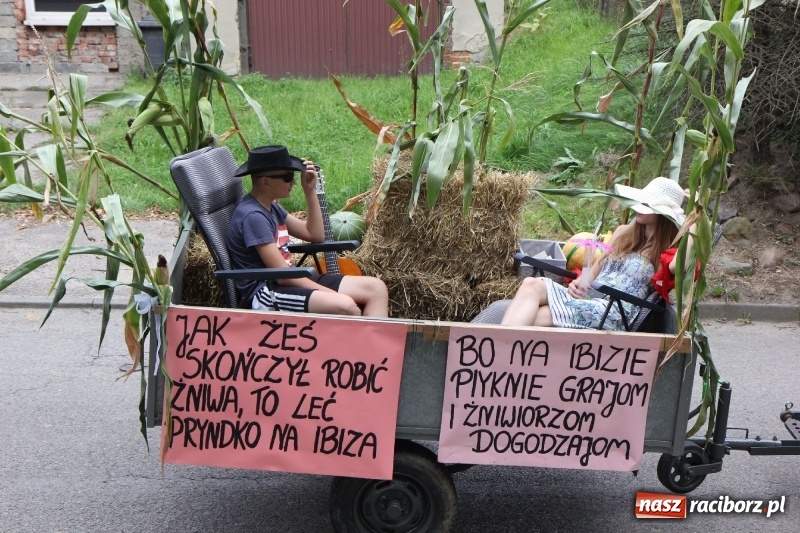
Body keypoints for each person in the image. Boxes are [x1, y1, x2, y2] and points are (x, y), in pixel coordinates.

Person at [501, 177, 688, 330]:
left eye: (648, 204)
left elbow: (682, 265)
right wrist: (581, 283)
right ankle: (496, 356)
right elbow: (598, 265)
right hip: (592, 299)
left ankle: (495, 359)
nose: (639, 206)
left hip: (614, 312)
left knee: (540, 315)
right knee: (531, 283)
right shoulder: (624, 233)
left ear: (664, 214)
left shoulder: (669, 252)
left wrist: (696, 213)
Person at [227, 145, 389, 317]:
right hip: (266, 292)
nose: (294, 182)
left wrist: (310, 191)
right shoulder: (254, 217)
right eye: (288, 177)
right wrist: (332, 294)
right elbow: (283, 276)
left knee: (376, 289)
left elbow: (315, 234)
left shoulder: (270, 207)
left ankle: (373, 343)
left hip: (288, 281)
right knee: (345, 305)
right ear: (266, 181)